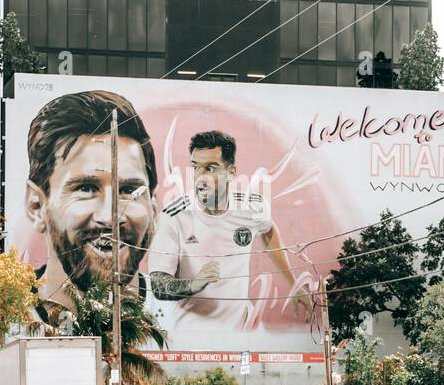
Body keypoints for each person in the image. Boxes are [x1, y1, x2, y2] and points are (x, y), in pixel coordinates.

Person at [148, 130, 312, 334]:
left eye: (210, 168)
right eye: (196, 167)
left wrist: (293, 283)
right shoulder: (174, 216)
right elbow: (157, 284)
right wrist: (193, 284)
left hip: (242, 332)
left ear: (231, 172)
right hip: (190, 336)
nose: (201, 177)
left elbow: (269, 232)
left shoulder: (253, 207)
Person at [23, 90, 160, 320]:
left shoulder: (184, 323)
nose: (110, 216)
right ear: (37, 206)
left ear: (154, 211)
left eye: (128, 191)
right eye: (85, 188)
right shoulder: (3, 320)